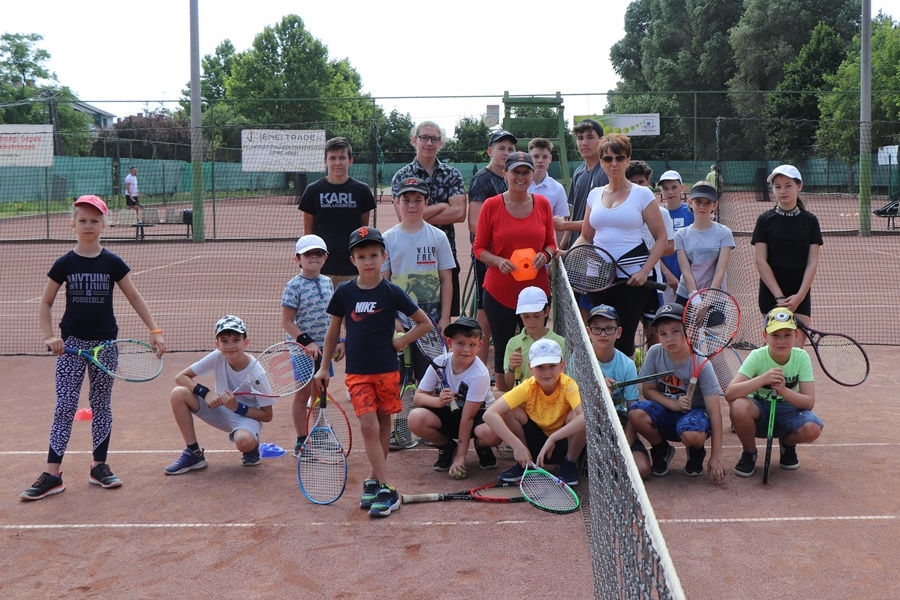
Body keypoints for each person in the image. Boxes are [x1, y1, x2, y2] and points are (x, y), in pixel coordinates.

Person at [22, 195, 166, 501]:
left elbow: (135, 297)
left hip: (107, 345)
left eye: (95, 220)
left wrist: (154, 330)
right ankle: (52, 473)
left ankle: (99, 466)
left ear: (105, 224)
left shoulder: (112, 262)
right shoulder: (65, 263)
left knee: (101, 405)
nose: (89, 225)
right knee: (64, 406)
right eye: (83, 220)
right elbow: (46, 303)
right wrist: (50, 337)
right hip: (71, 346)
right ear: (72, 223)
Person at [314, 226, 432, 518]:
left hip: (387, 370)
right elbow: (333, 331)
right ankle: (387, 487)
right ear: (353, 260)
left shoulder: (391, 291)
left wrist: (400, 341)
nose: (368, 261)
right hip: (357, 372)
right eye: (362, 256)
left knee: (382, 424)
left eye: (374, 255)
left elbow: (424, 323)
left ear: (384, 257)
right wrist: (323, 368)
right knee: (368, 425)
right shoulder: (344, 292)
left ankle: (373, 479)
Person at [569, 133, 668, 358]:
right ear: (601, 161)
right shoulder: (594, 195)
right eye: (607, 158)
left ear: (628, 160)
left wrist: (644, 272)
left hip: (632, 279)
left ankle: (627, 391)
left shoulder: (642, 194)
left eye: (619, 158)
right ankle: (605, 390)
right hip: (599, 278)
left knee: (623, 339)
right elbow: (585, 236)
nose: (613, 163)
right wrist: (570, 256)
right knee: (601, 337)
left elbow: (661, 237)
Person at [473, 151, 556, 392]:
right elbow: (478, 248)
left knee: (539, 347)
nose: (521, 177)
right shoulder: (492, 205)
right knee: (503, 350)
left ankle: (539, 400)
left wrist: (547, 254)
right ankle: (506, 403)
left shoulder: (542, 204)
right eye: (516, 172)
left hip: (537, 293)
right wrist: (498, 261)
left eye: (526, 172)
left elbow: (551, 242)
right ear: (505, 174)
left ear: (532, 175)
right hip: (500, 292)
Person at [628, 303, 726, 482]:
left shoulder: (701, 363)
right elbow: (648, 390)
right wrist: (673, 404)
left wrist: (717, 455)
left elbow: (714, 412)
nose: (669, 338)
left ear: (687, 330)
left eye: (675, 331)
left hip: (694, 415)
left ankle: (696, 450)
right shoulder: (655, 352)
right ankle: (661, 449)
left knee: (692, 435)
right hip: (666, 411)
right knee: (635, 413)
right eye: (663, 333)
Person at [164, 315, 274, 474]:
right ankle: (194, 454)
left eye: (236, 340)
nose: (230, 346)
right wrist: (206, 393)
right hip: (219, 410)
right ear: (217, 344)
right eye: (224, 341)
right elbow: (180, 377)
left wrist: (238, 407)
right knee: (178, 394)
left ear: (246, 342)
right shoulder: (217, 356)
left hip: (247, 417)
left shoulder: (257, 373)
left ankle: (251, 448)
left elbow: (267, 415)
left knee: (243, 441)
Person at [726, 307, 822, 477]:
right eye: (775, 335)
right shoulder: (757, 356)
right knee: (739, 406)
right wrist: (762, 379)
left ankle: (787, 443)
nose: (781, 341)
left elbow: (809, 402)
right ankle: (749, 453)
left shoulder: (801, 357)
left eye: (787, 335)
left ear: (796, 336)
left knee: (813, 428)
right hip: (759, 411)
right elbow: (730, 393)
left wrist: (784, 391)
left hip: (789, 410)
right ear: (765, 336)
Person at [481, 339, 585, 486]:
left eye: (552, 366)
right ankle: (525, 462)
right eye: (540, 367)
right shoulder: (528, 386)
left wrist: (553, 438)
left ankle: (570, 463)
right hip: (534, 444)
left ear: (562, 366)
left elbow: (586, 418)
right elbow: (489, 414)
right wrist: (517, 446)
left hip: (563, 444)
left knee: (578, 414)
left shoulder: (569, 385)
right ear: (530, 367)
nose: (547, 372)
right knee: (509, 410)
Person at [391, 121, 467, 317]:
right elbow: (404, 216)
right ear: (414, 140)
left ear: (441, 143)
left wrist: (420, 215)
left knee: (443, 318)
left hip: (444, 254)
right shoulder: (401, 176)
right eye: (424, 137)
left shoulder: (452, 174)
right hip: (408, 259)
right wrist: (442, 206)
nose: (429, 143)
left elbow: (459, 213)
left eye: (434, 139)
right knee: (408, 315)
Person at [409, 317, 499, 477]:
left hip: (478, 416)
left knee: (492, 433)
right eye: (461, 343)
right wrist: (438, 401)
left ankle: (482, 447)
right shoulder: (440, 362)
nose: (466, 349)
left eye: (472, 344)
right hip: (450, 413)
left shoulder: (480, 373)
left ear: (480, 345)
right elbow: (418, 397)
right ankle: (447, 446)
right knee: (415, 418)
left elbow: (468, 418)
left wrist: (461, 458)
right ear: (450, 343)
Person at [281, 234, 341, 458]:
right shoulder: (293, 285)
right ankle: (300, 440)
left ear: (325, 258)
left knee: (320, 391)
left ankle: (318, 432)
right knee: (302, 394)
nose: (313, 258)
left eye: (318, 254)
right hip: (302, 351)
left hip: (323, 353)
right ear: (297, 258)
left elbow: (335, 319)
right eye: (308, 254)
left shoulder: (327, 283)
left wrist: (340, 340)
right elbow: (287, 322)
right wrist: (307, 342)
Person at [752, 165, 822, 346]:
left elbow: (812, 263)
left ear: (799, 186)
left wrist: (799, 296)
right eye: (777, 186)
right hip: (771, 294)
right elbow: (760, 261)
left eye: (788, 185)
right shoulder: (764, 220)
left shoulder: (810, 221)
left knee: (795, 354)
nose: (782, 191)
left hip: (800, 293)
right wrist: (778, 297)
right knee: (774, 354)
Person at [468, 130, 517, 367]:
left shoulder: (510, 178)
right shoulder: (482, 179)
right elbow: (474, 224)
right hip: (488, 259)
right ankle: (479, 371)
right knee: (485, 314)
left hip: (510, 259)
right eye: (501, 148)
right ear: (490, 151)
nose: (506, 153)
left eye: (510, 149)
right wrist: (494, 255)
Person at [299, 137, 376, 288]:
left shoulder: (361, 190)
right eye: (332, 158)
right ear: (325, 161)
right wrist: (309, 263)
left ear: (350, 161)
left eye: (342, 157)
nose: (337, 163)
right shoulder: (313, 191)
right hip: (322, 268)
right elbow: (309, 235)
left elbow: (362, 231)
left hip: (352, 267)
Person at [382, 176, 455, 334]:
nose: (412, 206)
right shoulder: (387, 239)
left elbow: (446, 279)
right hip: (400, 322)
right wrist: (392, 318)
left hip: (432, 320)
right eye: (406, 200)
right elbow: (383, 283)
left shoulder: (439, 237)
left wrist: (445, 318)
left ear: (427, 202)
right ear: (397, 202)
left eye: (418, 200)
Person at [586, 304, 650, 480]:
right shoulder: (579, 361)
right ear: (588, 332)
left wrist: (624, 448)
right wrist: (597, 388)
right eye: (597, 329)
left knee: (642, 469)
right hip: (589, 423)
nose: (603, 334)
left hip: (619, 424)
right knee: (597, 472)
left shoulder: (627, 365)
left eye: (609, 329)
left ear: (619, 332)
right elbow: (573, 405)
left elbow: (633, 412)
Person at [556, 119, 610, 321]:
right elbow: (575, 213)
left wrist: (563, 225)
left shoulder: (605, 174)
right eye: (580, 138)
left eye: (590, 137)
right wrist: (563, 246)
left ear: (601, 140)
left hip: (596, 254)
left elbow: (599, 222)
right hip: (575, 251)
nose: (584, 143)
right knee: (575, 307)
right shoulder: (578, 172)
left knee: (591, 311)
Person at [626, 159, 675, 349]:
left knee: (653, 333)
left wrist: (647, 253)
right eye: (633, 182)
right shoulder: (625, 213)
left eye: (641, 182)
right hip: (625, 281)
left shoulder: (661, 213)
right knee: (626, 332)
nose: (638, 187)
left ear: (648, 182)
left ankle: (651, 374)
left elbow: (670, 246)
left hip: (651, 283)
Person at [673, 181, 735, 305]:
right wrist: (695, 300)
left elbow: (720, 270)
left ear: (715, 205)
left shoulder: (724, 233)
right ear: (690, 202)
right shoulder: (680, 235)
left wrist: (708, 300)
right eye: (698, 202)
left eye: (708, 203)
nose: (703, 206)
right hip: (687, 295)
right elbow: (686, 271)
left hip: (715, 297)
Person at [501, 286, 566, 391]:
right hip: (525, 398)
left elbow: (565, 378)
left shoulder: (560, 342)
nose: (531, 322)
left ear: (546, 311)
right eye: (526, 316)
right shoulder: (513, 343)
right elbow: (508, 384)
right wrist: (512, 368)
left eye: (536, 316)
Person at [657, 170, 694, 303]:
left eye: (674, 187)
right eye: (665, 188)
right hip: (665, 280)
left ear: (682, 188)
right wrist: (667, 274)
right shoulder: (657, 215)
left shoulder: (691, 213)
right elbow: (653, 249)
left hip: (690, 280)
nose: (670, 192)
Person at [527, 137, 570, 245]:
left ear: (550, 159)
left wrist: (554, 252)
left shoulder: (558, 188)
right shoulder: (519, 184)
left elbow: (561, 224)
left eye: (544, 157)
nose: (540, 160)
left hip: (546, 246)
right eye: (536, 156)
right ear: (529, 157)